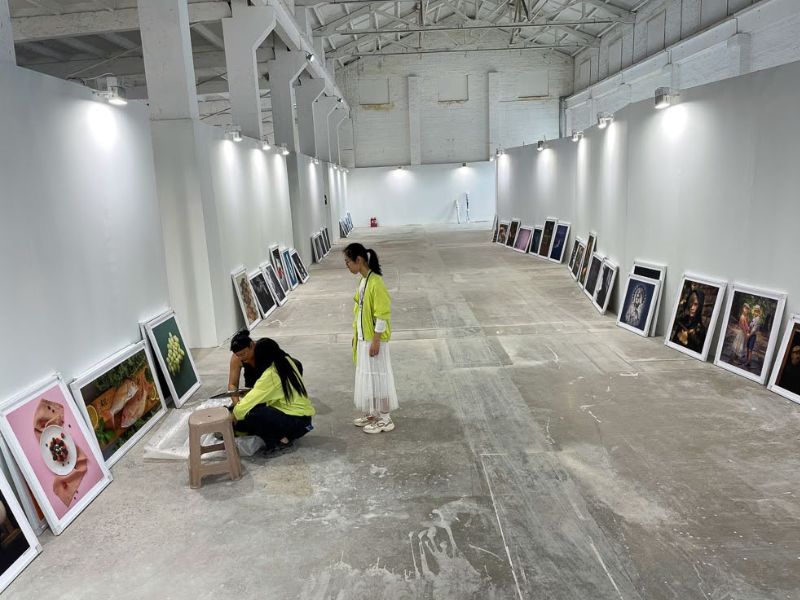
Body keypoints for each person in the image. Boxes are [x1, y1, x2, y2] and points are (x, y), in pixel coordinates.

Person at [344, 242, 398, 434]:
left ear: (359, 260)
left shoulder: (376, 282)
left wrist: (376, 340)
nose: (347, 265)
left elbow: (382, 314)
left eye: (348, 261)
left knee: (380, 377)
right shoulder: (364, 281)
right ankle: (374, 412)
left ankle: (385, 417)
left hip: (374, 340)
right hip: (363, 337)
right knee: (370, 377)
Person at [228, 334, 314, 452]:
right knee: (250, 411)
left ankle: (279, 441)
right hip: (301, 417)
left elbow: (250, 401)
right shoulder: (286, 361)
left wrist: (233, 415)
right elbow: (233, 384)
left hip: (297, 422)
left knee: (253, 413)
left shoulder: (272, 374)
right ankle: (282, 435)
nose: (243, 358)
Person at [672, 287, 707, 353]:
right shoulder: (682, 320)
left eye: (696, 304)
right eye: (691, 303)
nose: (692, 308)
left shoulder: (701, 330)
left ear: (700, 306)